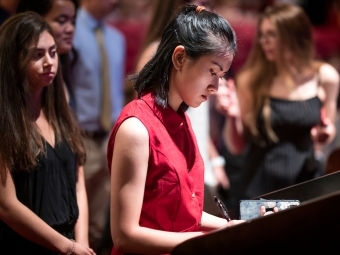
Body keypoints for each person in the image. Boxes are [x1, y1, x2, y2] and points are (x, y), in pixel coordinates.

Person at [107, 5, 245, 255]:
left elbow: (185, 213)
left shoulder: (181, 120)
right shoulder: (136, 128)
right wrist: (207, 240)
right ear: (180, 58)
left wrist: (232, 227)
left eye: (221, 75)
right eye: (212, 71)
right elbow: (125, 235)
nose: (215, 86)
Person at [216, 3, 340, 203]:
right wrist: (232, 117)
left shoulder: (325, 77)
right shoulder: (251, 80)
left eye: (272, 34)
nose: (264, 41)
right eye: (262, 35)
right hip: (259, 187)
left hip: (306, 182)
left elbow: (328, 128)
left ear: (295, 35)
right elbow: (237, 147)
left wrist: (324, 134)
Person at [0, 12, 94, 254]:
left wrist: (81, 243)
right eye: (37, 55)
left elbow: (78, 185)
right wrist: (68, 247)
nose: (49, 62)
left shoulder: (60, 112)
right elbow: (6, 206)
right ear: (14, 61)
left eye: (53, 53)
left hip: (70, 243)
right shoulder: (5, 121)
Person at [135, 0, 229, 217]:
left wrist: (214, 159)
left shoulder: (184, 120)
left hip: (193, 154)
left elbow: (201, 126)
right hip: (170, 161)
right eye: (199, 2)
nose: (204, 8)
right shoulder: (158, 53)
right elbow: (148, 116)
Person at [72, 0, 126, 251]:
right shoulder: (70, 32)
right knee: (74, 216)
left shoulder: (116, 38)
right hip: (79, 135)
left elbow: (116, 89)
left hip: (108, 137)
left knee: (99, 223)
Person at [16, 0, 78, 111]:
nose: (71, 29)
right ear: (35, 21)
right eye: (62, 21)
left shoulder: (66, 62)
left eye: (73, 22)